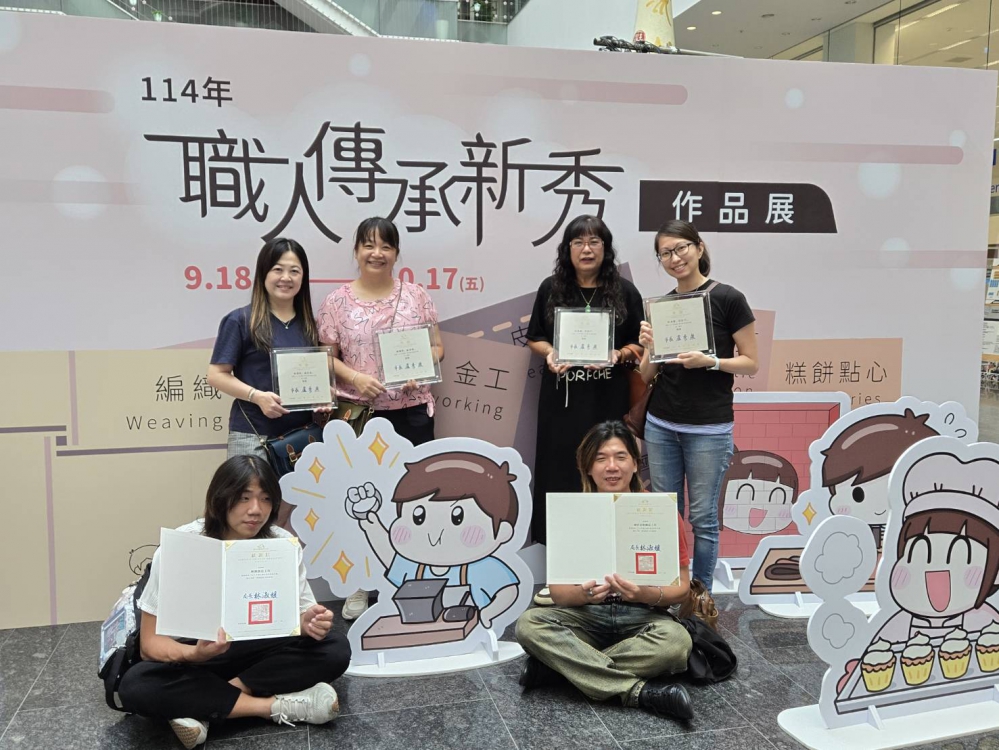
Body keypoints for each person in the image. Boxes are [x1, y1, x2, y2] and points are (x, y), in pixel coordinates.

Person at [118, 456, 351, 749]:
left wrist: (308, 623)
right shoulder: (182, 544)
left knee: (336, 648)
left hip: (258, 652)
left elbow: (302, 615)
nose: (256, 510)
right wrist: (195, 655)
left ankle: (203, 705)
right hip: (197, 656)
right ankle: (274, 707)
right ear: (220, 498)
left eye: (266, 499)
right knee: (135, 684)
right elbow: (150, 645)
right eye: (244, 498)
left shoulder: (280, 542)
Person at [515, 421, 694, 720]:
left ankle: (561, 669)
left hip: (642, 617)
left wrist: (644, 593)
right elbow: (558, 594)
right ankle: (638, 692)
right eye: (601, 458)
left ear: (635, 464)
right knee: (529, 625)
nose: (612, 467)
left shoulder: (660, 510)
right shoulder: (571, 513)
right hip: (586, 618)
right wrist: (584, 595)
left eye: (621, 457)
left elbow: (682, 588)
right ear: (587, 467)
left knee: (676, 642)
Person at [317, 216, 444, 620]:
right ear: (356, 251)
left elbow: (437, 346)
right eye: (368, 245)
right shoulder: (336, 302)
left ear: (396, 253)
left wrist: (421, 368)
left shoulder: (417, 296)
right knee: (359, 495)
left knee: (413, 497)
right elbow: (325, 357)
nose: (377, 253)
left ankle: (413, 578)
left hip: (412, 413)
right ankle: (358, 582)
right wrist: (355, 377)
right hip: (358, 415)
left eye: (386, 246)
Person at [526, 215, 644, 605]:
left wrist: (618, 354)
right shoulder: (551, 288)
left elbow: (640, 345)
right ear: (567, 250)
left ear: (606, 249)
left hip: (606, 402)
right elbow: (536, 338)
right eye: (578, 242)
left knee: (608, 476)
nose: (587, 249)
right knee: (560, 478)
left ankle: (612, 574)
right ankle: (561, 577)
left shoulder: (625, 291)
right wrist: (551, 354)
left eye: (595, 242)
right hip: (560, 404)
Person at [638, 220, 758, 591]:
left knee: (703, 518)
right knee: (665, 515)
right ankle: (666, 591)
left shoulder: (728, 298)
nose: (675, 258)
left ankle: (699, 598)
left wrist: (712, 362)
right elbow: (645, 375)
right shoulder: (663, 306)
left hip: (708, 428)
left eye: (681, 248)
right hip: (661, 424)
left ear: (699, 247)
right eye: (665, 253)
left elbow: (751, 362)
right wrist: (649, 346)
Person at [207, 238, 322, 462]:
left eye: (294, 271)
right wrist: (257, 397)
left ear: (303, 277)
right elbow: (216, 375)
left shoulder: (310, 325)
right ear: (263, 273)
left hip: (301, 439)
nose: (286, 278)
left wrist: (321, 395)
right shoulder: (240, 320)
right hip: (253, 435)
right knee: (251, 487)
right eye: (278, 269)